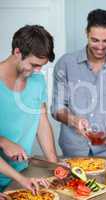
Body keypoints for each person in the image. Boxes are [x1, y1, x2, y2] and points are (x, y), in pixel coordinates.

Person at [51, 9, 106, 157]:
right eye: (95, 40)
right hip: (73, 149)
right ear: (86, 33)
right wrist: (74, 120)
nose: (101, 47)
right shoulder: (65, 64)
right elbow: (57, 109)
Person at [0, 25, 58, 193]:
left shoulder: (37, 80)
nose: (38, 71)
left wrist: (54, 163)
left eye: (42, 65)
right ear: (17, 52)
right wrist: (3, 141)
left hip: (22, 176)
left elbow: (41, 122)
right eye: (34, 64)